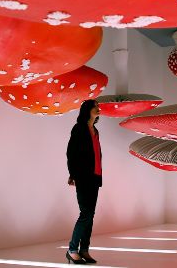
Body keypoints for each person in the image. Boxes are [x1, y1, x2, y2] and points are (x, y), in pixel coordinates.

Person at [65, 99, 102, 264]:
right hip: (83, 176)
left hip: (95, 176)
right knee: (85, 214)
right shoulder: (79, 128)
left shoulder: (95, 130)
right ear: (87, 109)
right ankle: (72, 250)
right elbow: (71, 152)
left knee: (90, 215)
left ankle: (84, 250)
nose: (98, 108)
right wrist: (72, 174)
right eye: (95, 106)